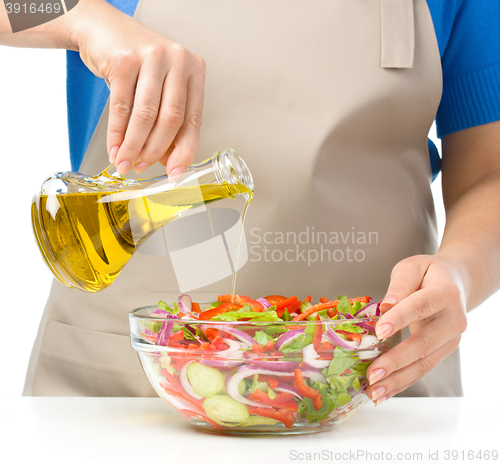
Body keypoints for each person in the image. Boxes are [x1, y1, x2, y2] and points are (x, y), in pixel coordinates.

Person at [1, 0, 499, 403]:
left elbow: (489, 172)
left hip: (372, 381)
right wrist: (80, 15)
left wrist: (461, 272)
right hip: (121, 385)